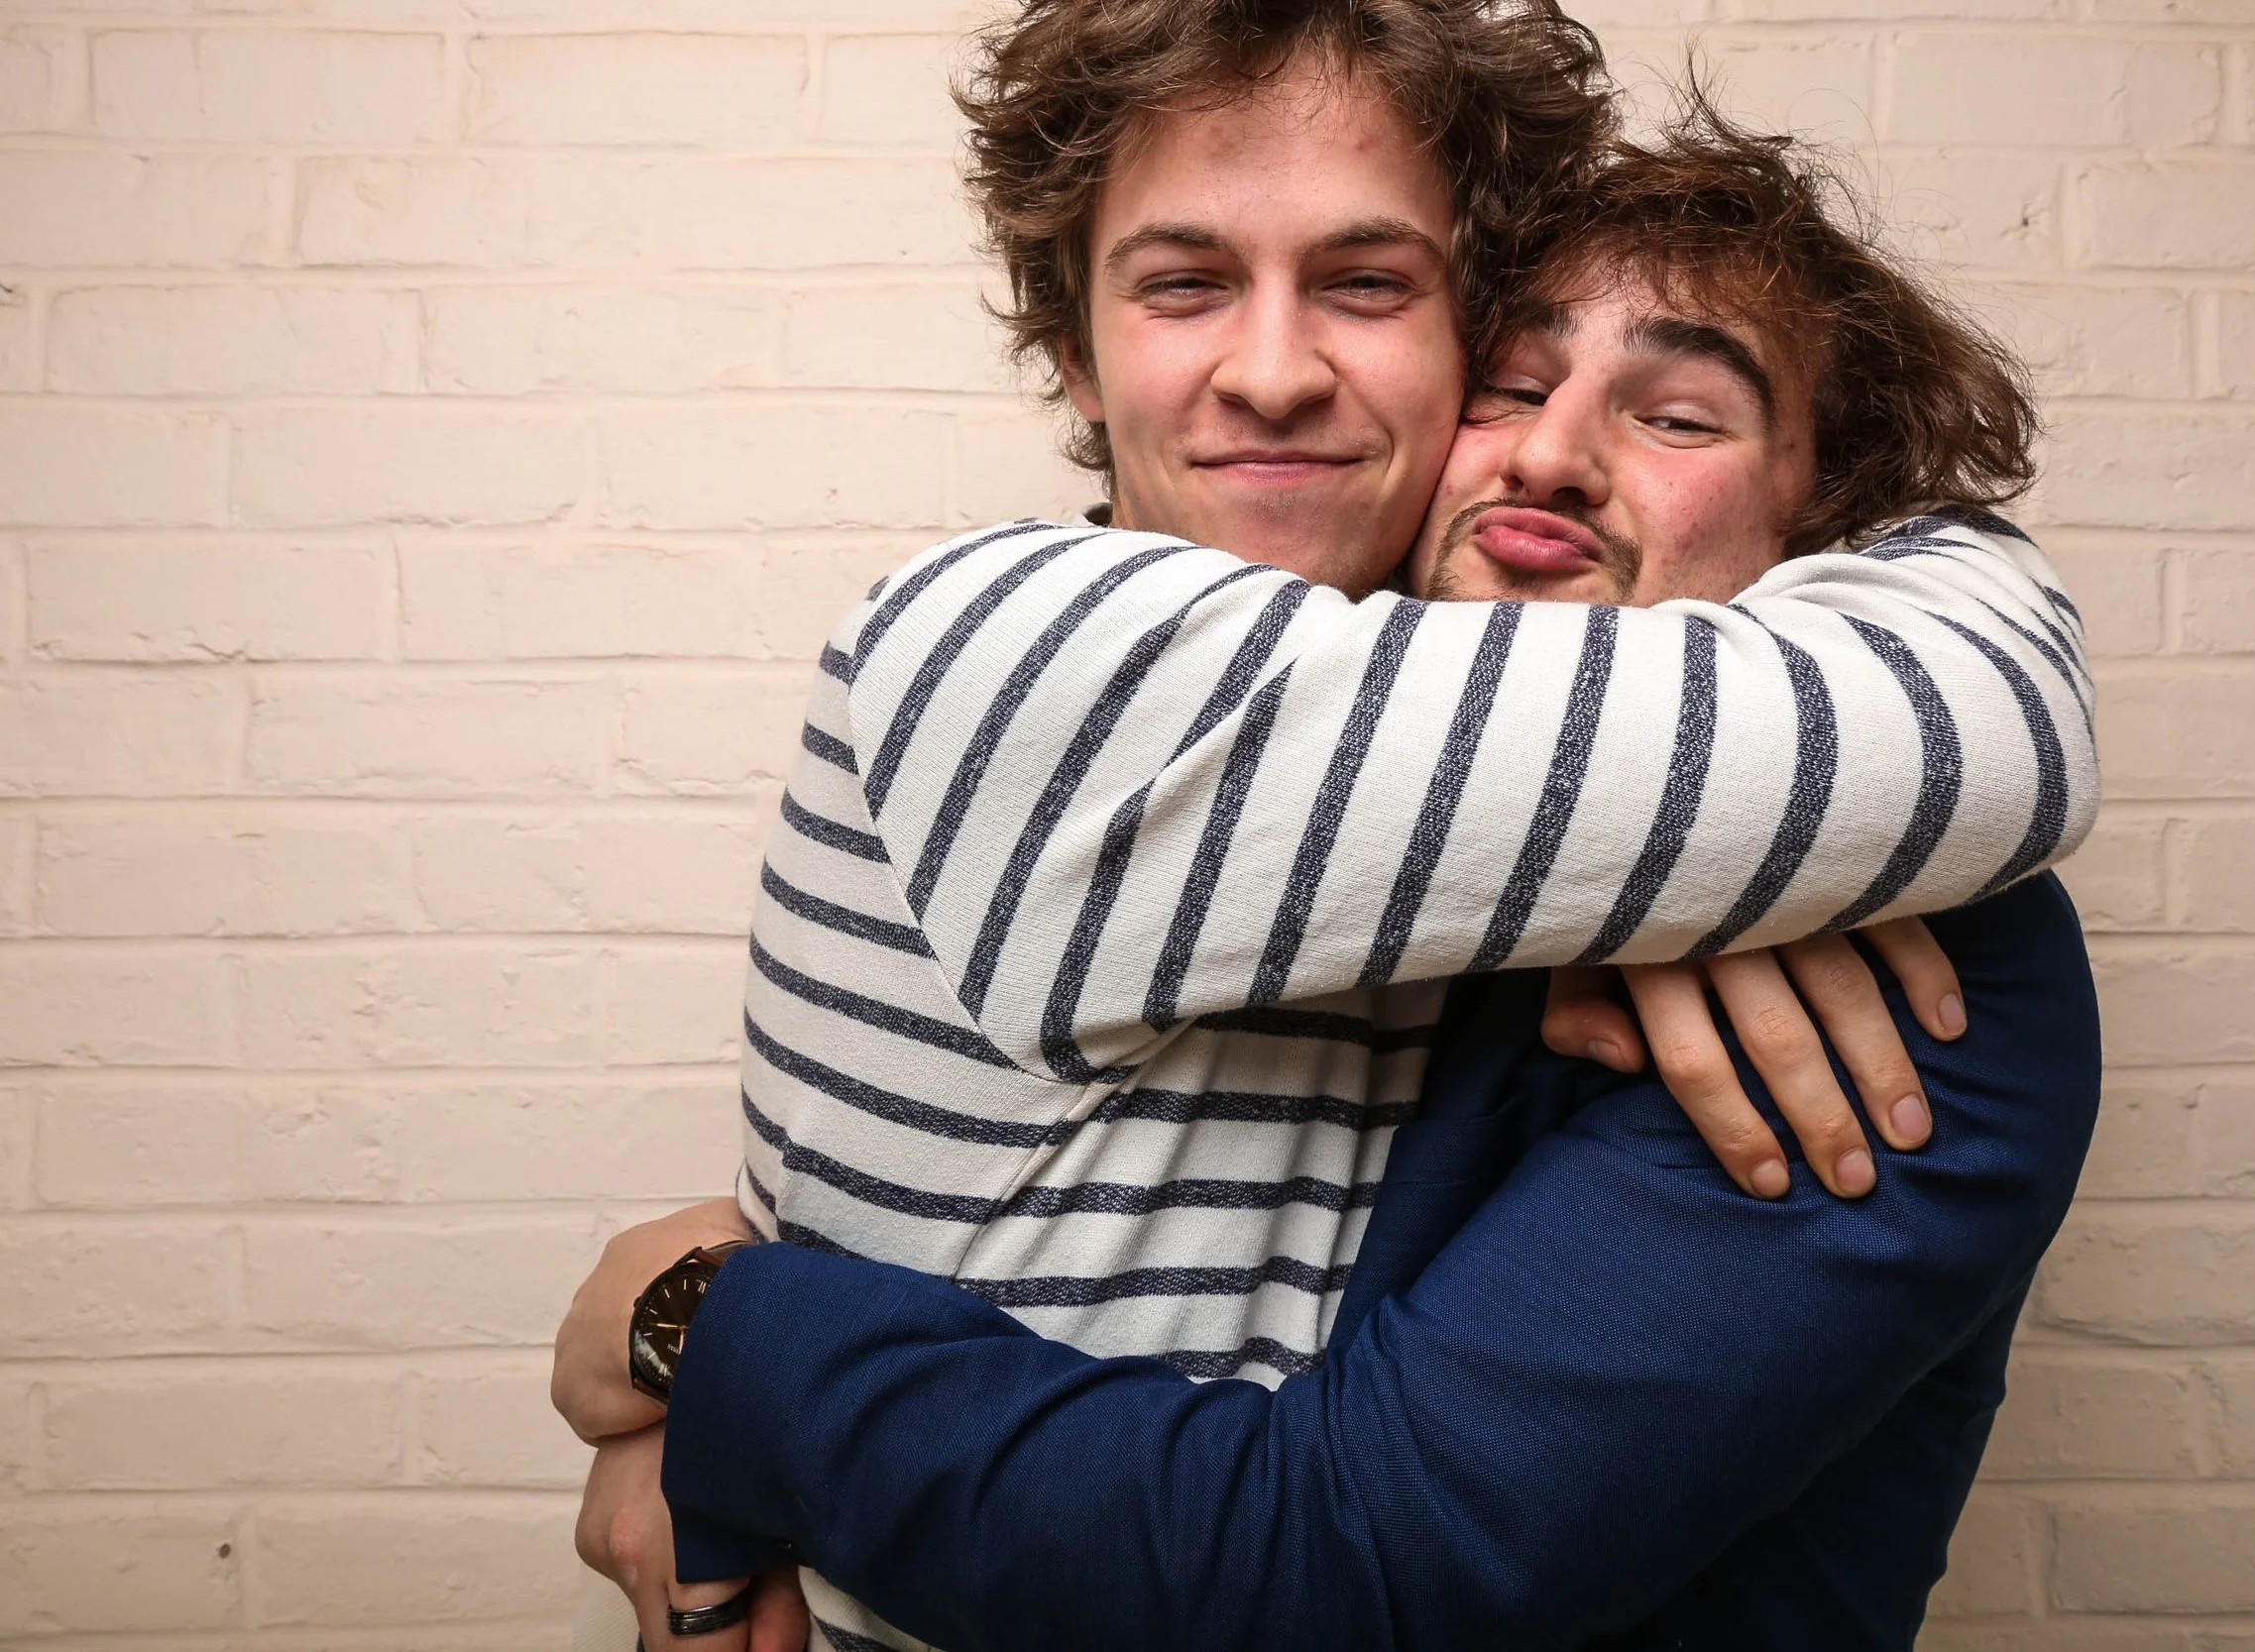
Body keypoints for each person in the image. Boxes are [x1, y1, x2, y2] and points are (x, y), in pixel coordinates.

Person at [554, 4, 2098, 1647]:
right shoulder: (1025, 638)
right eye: (1182, 281)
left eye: (1366, 286)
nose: (1278, 371)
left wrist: (715, 1338)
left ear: (1831, 529)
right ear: (1072, 348)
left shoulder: (1916, 957)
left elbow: (1344, 1568)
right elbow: (1967, 729)